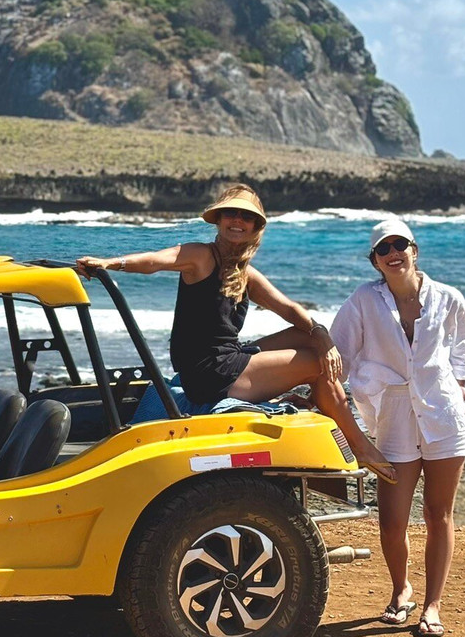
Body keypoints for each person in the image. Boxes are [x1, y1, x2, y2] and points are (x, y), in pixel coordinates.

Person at [75, 183, 397, 483]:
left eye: (246, 217)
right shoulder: (200, 257)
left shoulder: (246, 274)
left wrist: (323, 336)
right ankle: (359, 444)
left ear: (256, 227)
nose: (237, 221)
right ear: (219, 220)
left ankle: (324, 403)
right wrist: (110, 263)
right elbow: (156, 261)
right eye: (231, 213)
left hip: (228, 356)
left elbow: (290, 310)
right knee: (315, 363)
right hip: (208, 372)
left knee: (309, 338)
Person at [331, 219, 465, 636]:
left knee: (438, 514)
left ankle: (432, 605)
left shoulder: (448, 297)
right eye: (383, 249)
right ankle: (401, 590)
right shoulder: (363, 300)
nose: (393, 252)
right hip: (392, 419)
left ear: (415, 250)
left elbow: (464, 342)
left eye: (400, 244)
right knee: (392, 521)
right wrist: (316, 390)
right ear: (375, 261)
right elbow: (337, 349)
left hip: (443, 416)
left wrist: (461, 382)